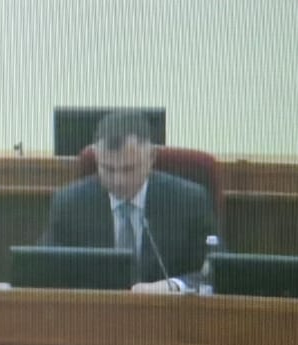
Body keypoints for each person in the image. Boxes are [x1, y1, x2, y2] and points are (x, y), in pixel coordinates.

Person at [42, 110, 217, 293]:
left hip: (166, 308)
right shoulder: (70, 203)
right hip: (96, 308)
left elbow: (215, 270)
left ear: (151, 157)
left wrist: (173, 285)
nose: (118, 181)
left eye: (128, 169)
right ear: (96, 157)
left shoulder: (188, 201)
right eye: (108, 169)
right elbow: (44, 267)